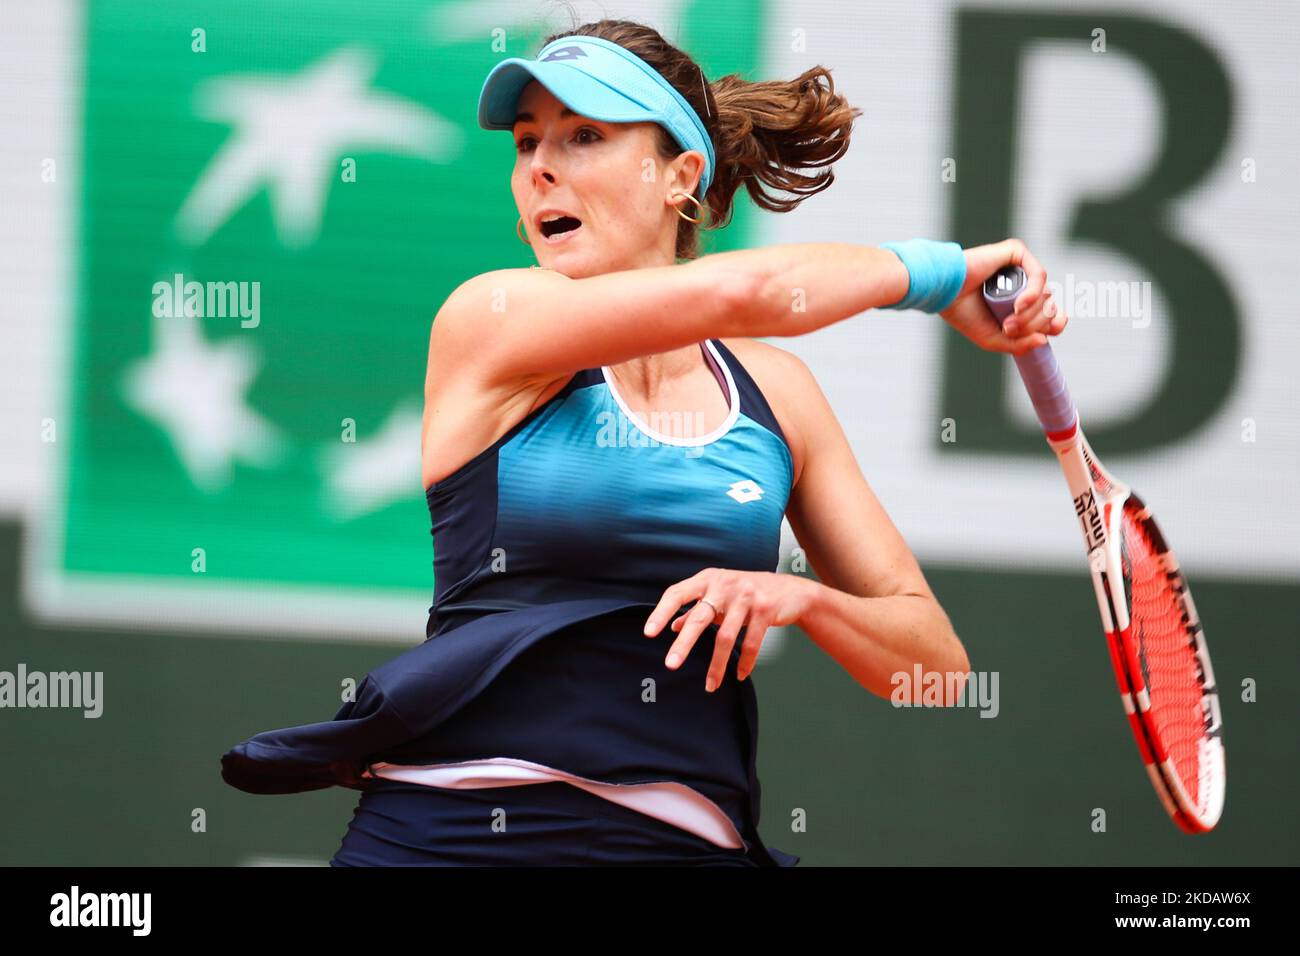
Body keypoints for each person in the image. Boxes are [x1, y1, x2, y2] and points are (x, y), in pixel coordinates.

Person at [221, 18, 1067, 867]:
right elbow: (760, 286)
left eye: (583, 135)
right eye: (526, 143)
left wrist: (802, 600)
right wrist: (944, 274)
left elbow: (936, 667)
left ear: (680, 177)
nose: (539, 166)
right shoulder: (492, 320)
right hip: (448, 840)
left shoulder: (778, 397)